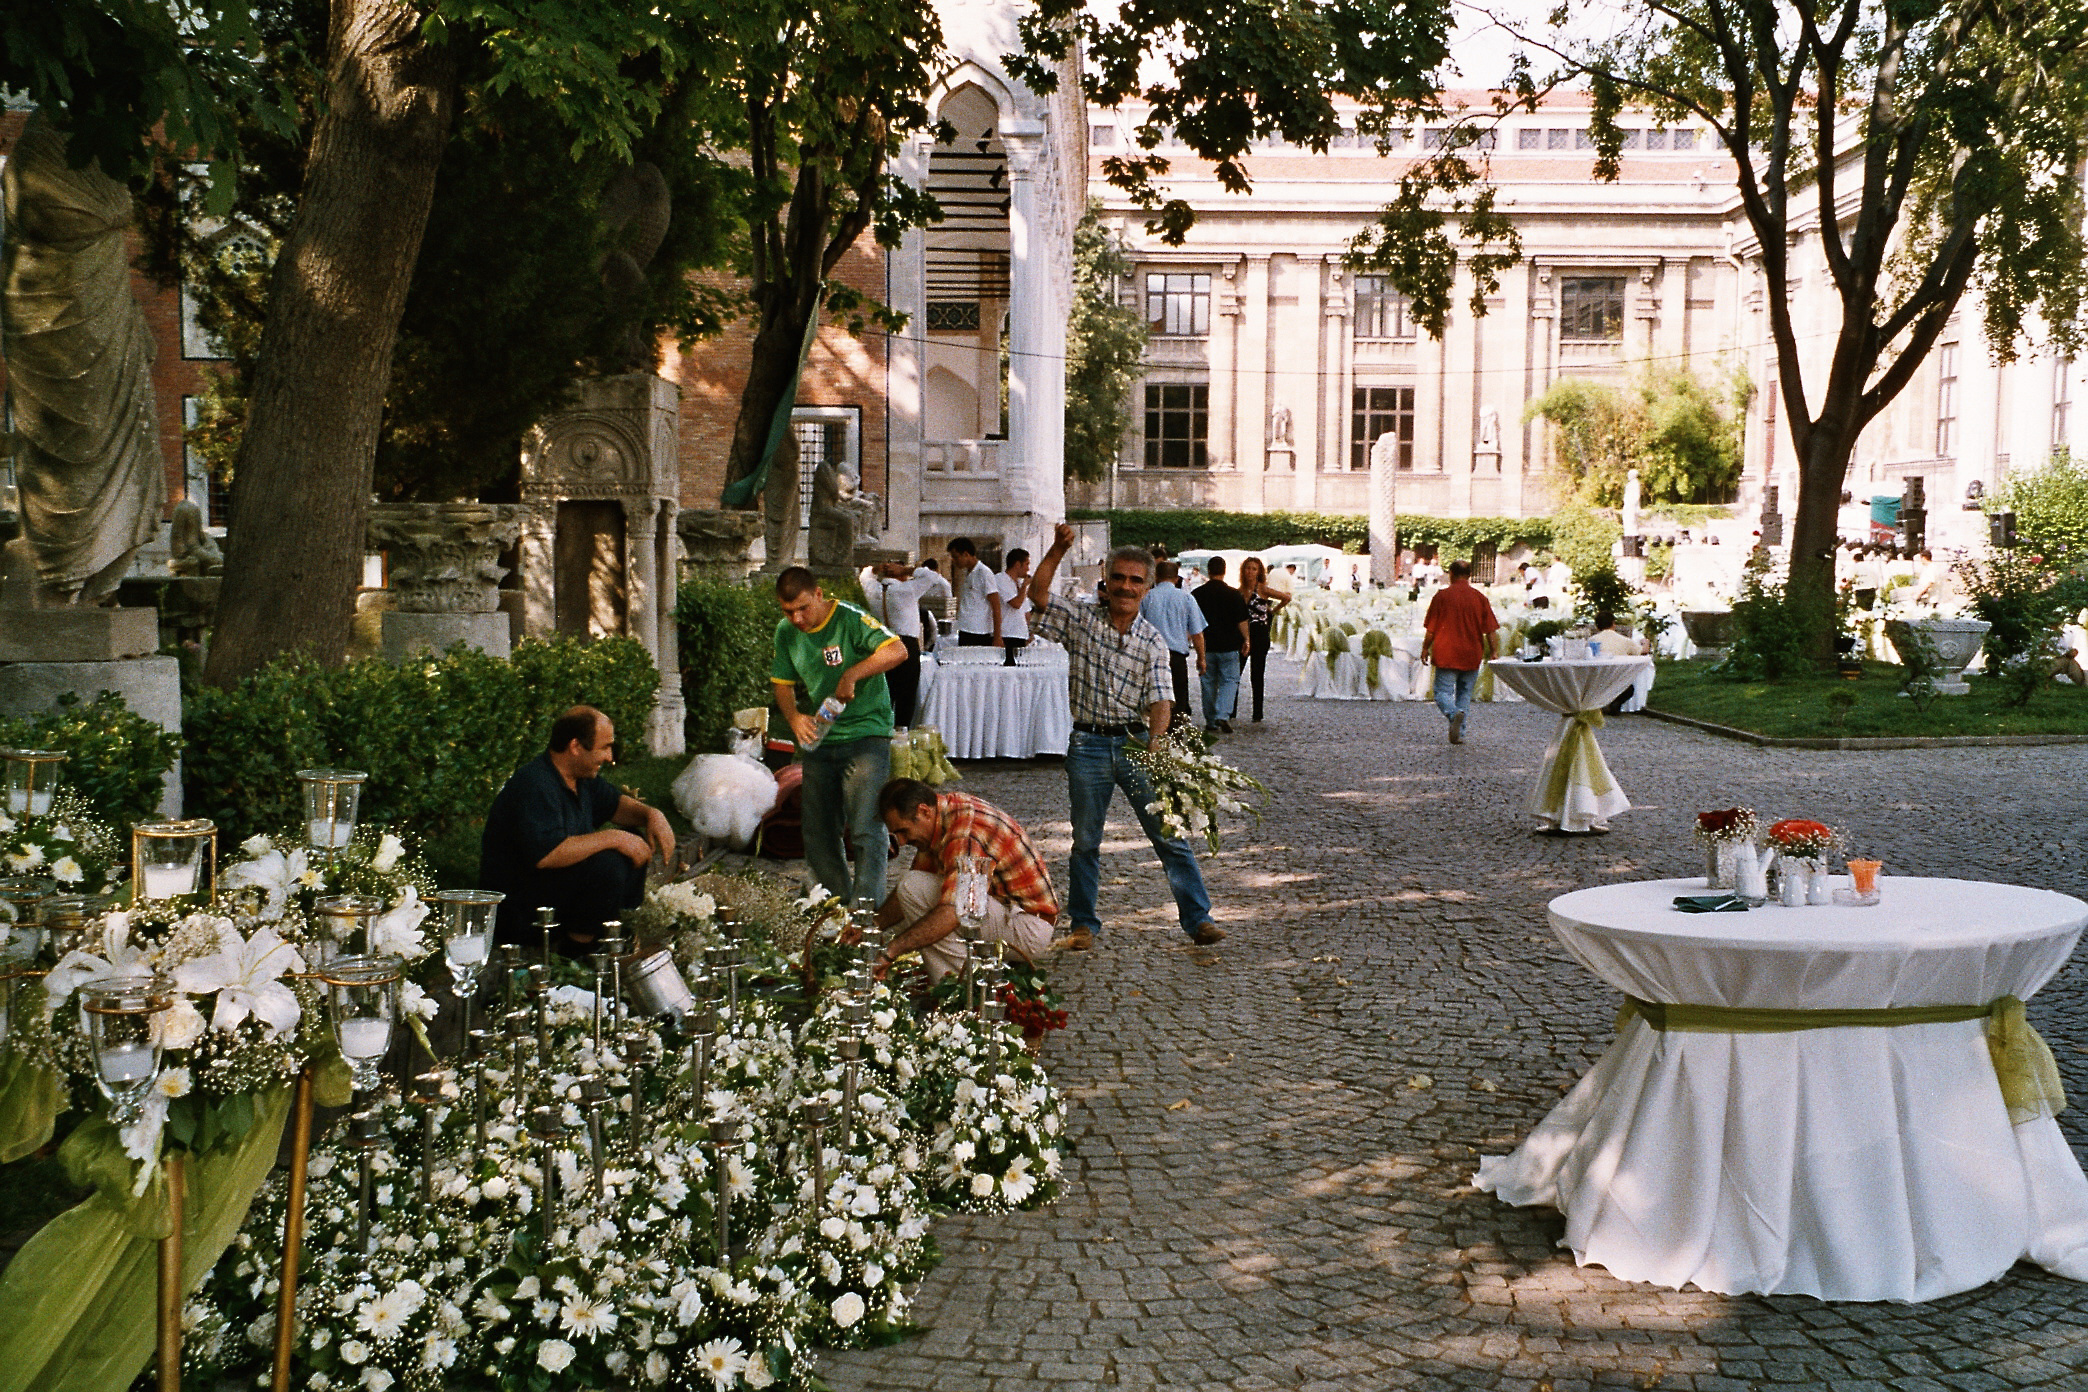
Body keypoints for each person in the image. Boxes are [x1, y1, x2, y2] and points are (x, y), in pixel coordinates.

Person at [1027, 523, 1225, 950]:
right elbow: (1038, 596)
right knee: (1085, 841)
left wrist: (1156, 745)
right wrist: (1057, 549)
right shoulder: (1081, 621)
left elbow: (1161, 700)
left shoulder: (1153, 641)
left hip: (1135, 744)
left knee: (1168, 834)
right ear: (1106, 578)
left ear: (1148, 588)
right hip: (1088, 745)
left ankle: (1197, 918)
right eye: (1119, 577)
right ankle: (1083, 923)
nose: (1126, 587)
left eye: (1136, 580)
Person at [480, 706, 675, 957]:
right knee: (609, 864)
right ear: (575, 746)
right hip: (522, 910)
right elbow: (547, 854)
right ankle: (577, 953)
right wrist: (613, 837)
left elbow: (616, 805)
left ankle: (617, 929)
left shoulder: (579, 776)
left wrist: (652, 815)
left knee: (634, 841)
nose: (610, 757)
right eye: (604, 747)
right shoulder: (535, 784)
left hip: (553, 890)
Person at [770, 566, 907, 907]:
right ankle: (833, 906)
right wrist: (794, 718)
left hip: (866, 734)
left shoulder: (849, 618)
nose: (798, 618)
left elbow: (898, 651)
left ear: (818, 594)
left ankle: (864, 912)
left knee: (865, 828)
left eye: (803, 607)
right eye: (789, 611)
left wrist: (852, 674)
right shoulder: (786, 632)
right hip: (821, 737)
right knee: (817, 832)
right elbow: (782, 684)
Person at [870, 778, 1057, 983]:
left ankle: (958, 987)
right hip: (1005, 911)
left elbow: (956, 911)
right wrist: (872, 926)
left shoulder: (965, 832)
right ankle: (963, 974)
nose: (903, 842)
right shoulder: (943, 815)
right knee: (911, 899)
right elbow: (908, 896)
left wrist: (890, 952)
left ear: (924, 811)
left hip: (1028, 927)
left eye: (903, 831)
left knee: (916, 893)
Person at [1420, 559, 1500, 745]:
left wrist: (1425, 647)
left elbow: (1431, 629)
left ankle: (1453, 713)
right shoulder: (1480, 598)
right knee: (1464, 694)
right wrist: (1494, 651)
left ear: (1451, 574)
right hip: (1472, 653)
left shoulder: (1442, 597)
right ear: (1470, 575)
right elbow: (1491, 630)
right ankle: (1460, 732)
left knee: (1442, 692)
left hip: (1446, 652)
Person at [864, 561, 951, 727]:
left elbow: (865, 575)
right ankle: (901, 732)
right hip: (906, 645)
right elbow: (933, 576)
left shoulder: (872, 589)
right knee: (906, 697)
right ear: (901, 575)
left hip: (882, 644)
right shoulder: (906, 590)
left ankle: (882, 731)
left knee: (886, 693)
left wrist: (876, 568)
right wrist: (907, 569)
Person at [1139, 560, 1207, 714]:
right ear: (1177, 579)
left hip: (1152, 656)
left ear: (1155, 577)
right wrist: (1201, 658)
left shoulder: (1146, 597)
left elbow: (1137, 627)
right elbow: (1197, 632)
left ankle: (1155, 733)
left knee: (1153, 700)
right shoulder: (1187, 598)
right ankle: (1175, 734)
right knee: (1179, 700)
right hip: (1177, 658)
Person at [1192, 556, 1250, 734]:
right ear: (1224, 571)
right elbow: (1242, 620)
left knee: (1208, 682)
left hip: (1206, 646)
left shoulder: (1197, 594)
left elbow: (1192, 622)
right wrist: (1246, 640)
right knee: (1230, 681)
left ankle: (1210, 720)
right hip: (1229, 646)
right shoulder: (1234, 595)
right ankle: (1223, 714)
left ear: (1208, 571)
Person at [1236, 555, 1291, 723]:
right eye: (1248, 568)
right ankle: (1230, 710)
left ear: (1259, 572)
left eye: (1254, 569)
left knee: (1257, 674)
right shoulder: (1238, 591)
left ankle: (1257, 712)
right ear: (1243, 571)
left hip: (1259, 633)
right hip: (1243, 634)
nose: (1250, 572)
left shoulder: (1262, 589)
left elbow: (1286, 597)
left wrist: (1272, 611)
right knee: (1236, 673)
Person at [947, 536, 1003, 648]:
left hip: (979, 632)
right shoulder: (969, 574)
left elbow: (996, 605)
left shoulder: (984, 573)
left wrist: (997, 636)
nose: (954, 561)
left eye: (956, 557)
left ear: (966, 554)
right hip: (965, 628)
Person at [997, 548, 1032, 665]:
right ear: (1017, 564)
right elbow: (1016, 604)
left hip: (1020, 634)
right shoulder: (1001, 579)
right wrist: (1024, 587)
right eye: (1026, 564)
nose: (1028, 569)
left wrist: (1029, 632)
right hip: (1007, 634)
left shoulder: (1019, 584)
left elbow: (1026, 612)